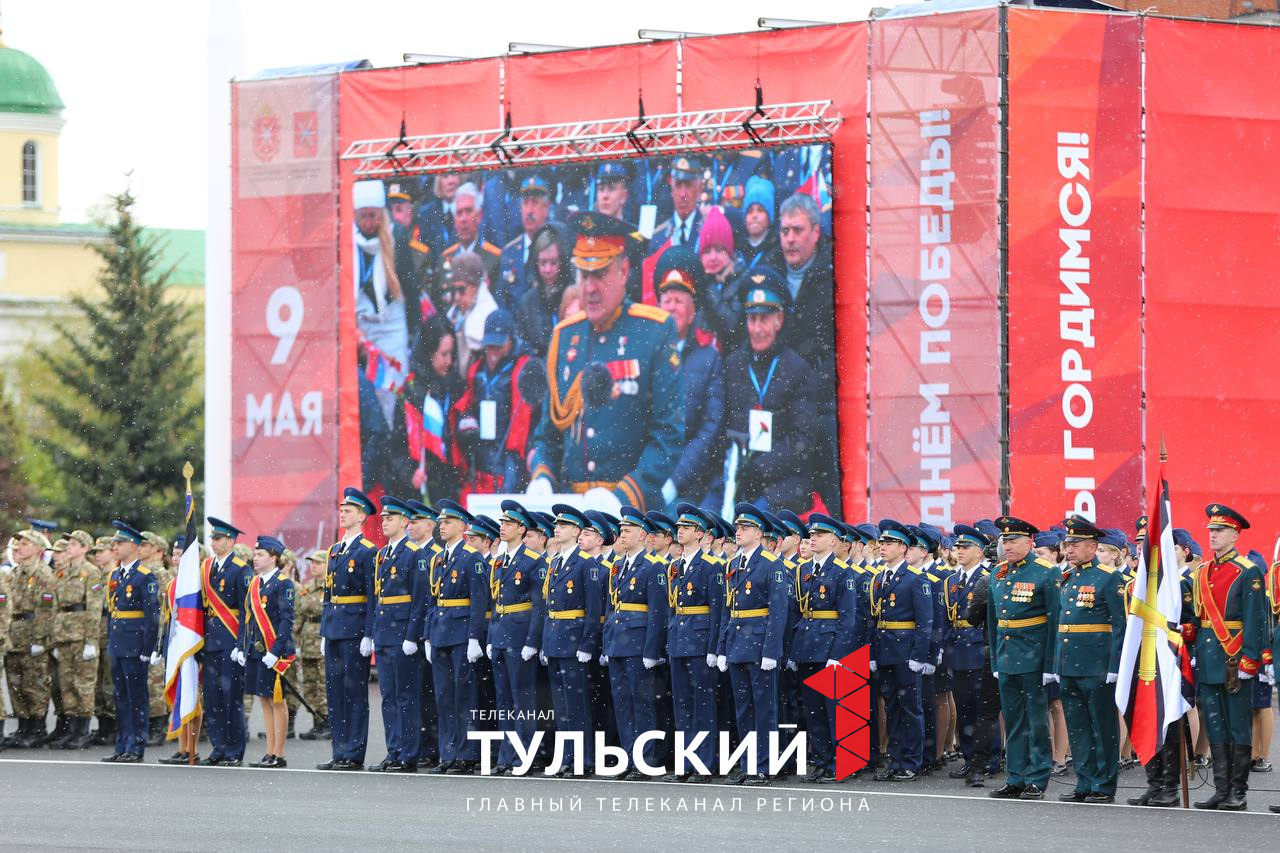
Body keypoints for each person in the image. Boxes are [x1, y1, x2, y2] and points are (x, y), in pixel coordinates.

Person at [527, 212, 684, 512]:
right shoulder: (564, 337)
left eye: (599, 274)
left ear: (624, 271)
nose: (589, 288)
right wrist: (543, 477)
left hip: (635, 517)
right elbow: (548, 434)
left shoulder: (653, 332)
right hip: (572, 516)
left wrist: (623, 498)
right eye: (584, 275)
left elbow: (668, 436)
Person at [721, 271, 816, 511]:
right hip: (736, 476)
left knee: (753, 520)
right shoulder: (733, 365)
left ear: (779, 320)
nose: (757, 328)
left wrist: (761, 468)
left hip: (782, 484)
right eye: (752, 319)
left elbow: (802, 441)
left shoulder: (797, 369)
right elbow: (721, 426)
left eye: (764, 319)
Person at [1194, 504, 1267, 810]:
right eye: (1211, 530)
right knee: (1215, 726)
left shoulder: (1247, 572)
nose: (1213, 536)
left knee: (1237, 725)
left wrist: (1251, 660)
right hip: (1209, 658)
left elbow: (1256, 620)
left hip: (1234, 659)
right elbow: (1198, 618)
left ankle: (1238, 791)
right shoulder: (1203, 571)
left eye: (1220, 531)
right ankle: (1221, 789)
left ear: (1235, 535)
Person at [986, 516, 1060, 800]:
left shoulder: (1046, 572)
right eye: (1005, 541)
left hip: (1034, 657)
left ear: (1030, 542)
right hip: (1007, 657)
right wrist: (995, 660)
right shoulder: (999, 573)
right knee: (1014, 719)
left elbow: (1055, 621)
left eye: (1014, 540)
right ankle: (1016, 776)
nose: (1008, 546)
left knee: (1036, 720)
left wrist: (1050, 664)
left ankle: (1037, 777)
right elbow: (994, 622)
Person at [715, 502, 789, 785]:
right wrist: (722, 648)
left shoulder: (771, 564)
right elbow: (727, 609)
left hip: (759, 646)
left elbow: (778, 612)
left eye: (745, 528)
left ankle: (766, 765)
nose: (739, 532)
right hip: (737, 644)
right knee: (743, 708)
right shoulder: (733, 564)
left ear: (759, 534)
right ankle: (748, 764)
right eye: (738, 528)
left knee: (765, 708)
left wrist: (771, 651)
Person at [1053, 516, 1126, 804]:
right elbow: (1064, 625)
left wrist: (1114, 666)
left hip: (1096, 666)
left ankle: (1104, 785)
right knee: (1078, 727)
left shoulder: (1109, 578)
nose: (1068, 549)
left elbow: (1121, 625)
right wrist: (1058, 664)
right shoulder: (1069, 578)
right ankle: (1084, 781)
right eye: (1067, 544)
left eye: (1075, 544)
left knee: (1102, 726)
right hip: (1070, 665)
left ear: (1093, 547)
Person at [654, 247, 725, 513]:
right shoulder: (648, 355)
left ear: (693, 310)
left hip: (691, 486)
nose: (672, 307)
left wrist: (674, 480)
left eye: (679, 301)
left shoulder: (710, 359)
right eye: (667, 300)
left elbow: (708, 432)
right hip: (648, 477)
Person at [423, 499, 491, 774]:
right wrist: (427, 635)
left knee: (464, 695)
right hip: (440, 632)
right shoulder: (439, 558)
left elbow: (479, 600)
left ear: (462, 526)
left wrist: (474, 637)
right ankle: (447, 752)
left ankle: (466, 753)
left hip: (461, 633)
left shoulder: (472, 557)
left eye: (448, 522)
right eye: (440, 522)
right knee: (444, 696)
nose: (442, 526)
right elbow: (432, 599)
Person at [603, 507, 670, 779]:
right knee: (622, 702)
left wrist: (652, 650)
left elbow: (657, 612)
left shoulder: (653, 567)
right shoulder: (619, 566)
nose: (622, 535)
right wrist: (607, 644)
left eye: (628, 531)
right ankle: (629, 756)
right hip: (618, 642)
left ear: (643, 535)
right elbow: (612, 608)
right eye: (621, 531)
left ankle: (646, 759)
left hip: (638, 644)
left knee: (642, 703)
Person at [794, 513, 861, 783]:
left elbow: (848, 619)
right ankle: (823, 760)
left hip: (830, 645)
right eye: (811, 535)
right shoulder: (804, 570)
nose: (813, 538)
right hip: (807, 645)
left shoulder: (843, 573)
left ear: (833, 541)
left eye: (819, 535)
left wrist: (838, 655)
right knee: (814, 710)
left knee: (836, 710)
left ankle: (843, 763)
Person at [366, 496, 430, 773]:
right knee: (389, 696)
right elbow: (377, 598)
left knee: (406, 696)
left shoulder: (414, 554)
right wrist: (371, 633)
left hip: (403, 633)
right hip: (384, 632)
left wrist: (411, 635)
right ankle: (394, 751)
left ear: (404, 522)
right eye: (383, 518)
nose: (384, 522)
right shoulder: (383, 554)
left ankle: (408, 753)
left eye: (390, 518)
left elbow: (420, 598)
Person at [316, 488, 378, 772]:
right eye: (341, 509)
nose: (343, 513)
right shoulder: (334, 550)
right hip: (334, 629)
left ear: (362, 516)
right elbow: (328, 593)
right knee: (335, 692)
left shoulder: (367, 551)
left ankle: (353, 752)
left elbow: (371, 596)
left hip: (354, 629)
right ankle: (339, 750)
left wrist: (368, 633)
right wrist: (323, 631)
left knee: (354, 692)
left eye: (349, 510)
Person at [868, 519, 933, 782]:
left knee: (910, 708)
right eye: (882, 542)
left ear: (904, 548)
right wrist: (873, 654)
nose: (883, 547)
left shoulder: (916, 579)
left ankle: (911, 762)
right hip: (885, 649)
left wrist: (919, 655)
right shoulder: (879, 577)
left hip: (906, 652)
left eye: (890, 543)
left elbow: (925, 622)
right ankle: (895, 760)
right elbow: (874, 619)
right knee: (892, 707)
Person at [540, 503, 603, 776]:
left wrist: (588, 643)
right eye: (557, 524)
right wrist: (544, 642)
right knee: (561, 705)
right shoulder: (555, 562)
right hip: (555, 640)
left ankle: (582, 759)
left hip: (574, 641)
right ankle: (567, 756)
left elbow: (594, 609)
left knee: (577, 705)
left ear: (576, 531)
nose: (557, 528)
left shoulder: (586, 563)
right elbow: (549, 607)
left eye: (563, 525)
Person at [450, 308, 540, 498]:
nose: (493, 351)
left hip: (510, 458)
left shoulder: (524, 367)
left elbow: (532, 418)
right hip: (481, 459)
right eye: (489, 345)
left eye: (498, 345)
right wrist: (467, 420)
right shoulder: (476, 370)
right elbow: (466, 404)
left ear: (511, 339)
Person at [664, 503, 723, 782]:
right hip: (679, 639)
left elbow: (717, 610)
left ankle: (703, 763)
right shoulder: (674, 566)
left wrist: (713, 648)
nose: (681, 531)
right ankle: (685, 762)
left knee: (703, 706)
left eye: (686, 528)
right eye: (679, 528)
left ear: (701, 534)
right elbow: (671, 608)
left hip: (700, 642)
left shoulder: (711, 566)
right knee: (682, 705)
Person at [487, 500, 548, 774]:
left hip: (520, 636)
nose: (503, 528)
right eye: (502, 523)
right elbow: (496, 602)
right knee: (503, 700)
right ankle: (506, 754)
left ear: (522, 529)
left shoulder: (533, 561)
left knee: (523, 700)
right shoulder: (500, 560)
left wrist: (532, 642)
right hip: (500, 635)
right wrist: (490, 637)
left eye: (509, 524)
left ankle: (525, 754)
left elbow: (539, 606)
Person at [194, 517, 252, 766]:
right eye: (212, 538)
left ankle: (234, 750)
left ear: (230, 540)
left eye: (217, 538)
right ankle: (218, 748)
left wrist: (241, 644)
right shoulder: (206, 567)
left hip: (230, 640)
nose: (213, 542)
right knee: (213, 698)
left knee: (231, 698)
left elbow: (247, 612)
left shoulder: (241, 569)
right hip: (210, 641)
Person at [353, 180, 410, 431]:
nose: (368, 222)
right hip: (361, 324)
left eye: (373, 216)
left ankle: (391, 437)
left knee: (392, 387)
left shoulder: (395, 235)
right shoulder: (348, 241)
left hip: (390, 323)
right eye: (363, 216)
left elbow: (410, 287)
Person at [101, 522, 160, 763]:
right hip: (118, 643)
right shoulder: (115, 575)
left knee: (137, 697)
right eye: (114, 543)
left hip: (135, 646)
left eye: (119, 543)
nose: (114, 547)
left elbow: (152, 618)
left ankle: (136, 745)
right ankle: (122, 743)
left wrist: (147, 649)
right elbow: (112, 612)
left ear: (133, 546)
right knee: (120, 696)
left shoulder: (145, 576)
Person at [236, 536, 296, 768]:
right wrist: (242, 646)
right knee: (263, 699)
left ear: (274, 558)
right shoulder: (254, 584)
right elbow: (247, 619)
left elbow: (285, 620)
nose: (255, 558)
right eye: (255, 553)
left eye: (260, 554)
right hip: (256, 650)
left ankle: (278, 753)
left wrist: (276, 650)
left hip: (273, 651)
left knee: (277, 701)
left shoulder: (283, 583)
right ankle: (269, 751)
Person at [46, 529, 105, 750]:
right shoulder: (61, 573)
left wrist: (91, 640)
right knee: (67, 684)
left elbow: (94, 607)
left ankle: (82, 730)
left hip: (81, 635)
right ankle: (71, 730)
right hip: (63, 635)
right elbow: (54, 607)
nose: (68, 548)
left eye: (73, 544)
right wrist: (53, 638)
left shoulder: (91, 572)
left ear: (84, 548)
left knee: (84, 684)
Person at [945, 524, 994, 786]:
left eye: (965, 547)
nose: (959, 551)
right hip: (959, 649)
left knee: (983, 708)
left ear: (979, 551)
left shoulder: (988, 577)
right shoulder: (952, 580)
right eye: (957, 547)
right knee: (964, 708)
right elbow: (947, 619)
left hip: (979, 647)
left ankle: (988, 759)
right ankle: (969, 757)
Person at [3, 528, 56, 749]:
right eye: (18, 544)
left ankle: (37, 729)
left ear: (37, 548)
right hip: (15, 634)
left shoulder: (43, 574)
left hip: (33, 635)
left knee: (34, 684)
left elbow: (46, 611)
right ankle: (23, 727)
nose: (18, 548)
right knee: (15, 683)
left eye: (24, 544)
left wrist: (38, 639)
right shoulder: (15, 574)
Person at [406, 314, 466, 504]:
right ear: (429, 353)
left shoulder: (456, 385)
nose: (449, 361)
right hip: (422, 491)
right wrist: (409, 473)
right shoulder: (413, 390)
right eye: (443, 354)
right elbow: (397, 447)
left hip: (452, 488)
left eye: (451, 354)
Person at [435, 182, 502, 310]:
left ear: (479, 216)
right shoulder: (445, 258)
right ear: (454, 219)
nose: (463, 219)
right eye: (459, 213)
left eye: (468, 211)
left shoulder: (494, 258)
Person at [514, 223, 573, 359]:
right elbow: (522, 349)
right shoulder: (528, 302)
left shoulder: (574, 297)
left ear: (563, 263)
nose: (547, 270)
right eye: (543, 263)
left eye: (553, 263)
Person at [497, 174, 553, 309]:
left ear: (546, 208)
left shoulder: (554, 248)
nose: (529, 210)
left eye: (535, 202)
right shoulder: (509, 251)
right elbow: (501, 300)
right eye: (525, 203)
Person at [443, 251, 500, 377]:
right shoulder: (458, 309)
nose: (456, 297)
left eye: (462, 289)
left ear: (475, 285)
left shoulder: (489, 312)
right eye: (454, 290)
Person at [294, 550, 330, 741]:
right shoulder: (306, 588)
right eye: (311, 563)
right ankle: (316, 721)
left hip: (323, 641)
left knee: (324, 683)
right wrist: (293, 640)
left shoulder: (332, 586)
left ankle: (327, 721)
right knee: (309, 684)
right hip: (307, 643)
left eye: (317, 563)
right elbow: (299, 616)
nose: (313, 566)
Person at [90, 536, 118, 746]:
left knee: (110, 683)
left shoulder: (117, 576)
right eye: (96, 552)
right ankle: (102, 725)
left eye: (102, 551)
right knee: (98, 684)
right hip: (97, 634)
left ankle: (113, 726)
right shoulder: (96, 576)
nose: (97, 555)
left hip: (111, 633)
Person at [649, 156, 705, 253]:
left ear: (699, 188)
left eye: (688, 185)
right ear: (671, 187)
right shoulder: (658, 236)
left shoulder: (709, 232)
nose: (682, 194)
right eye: (678, 185)